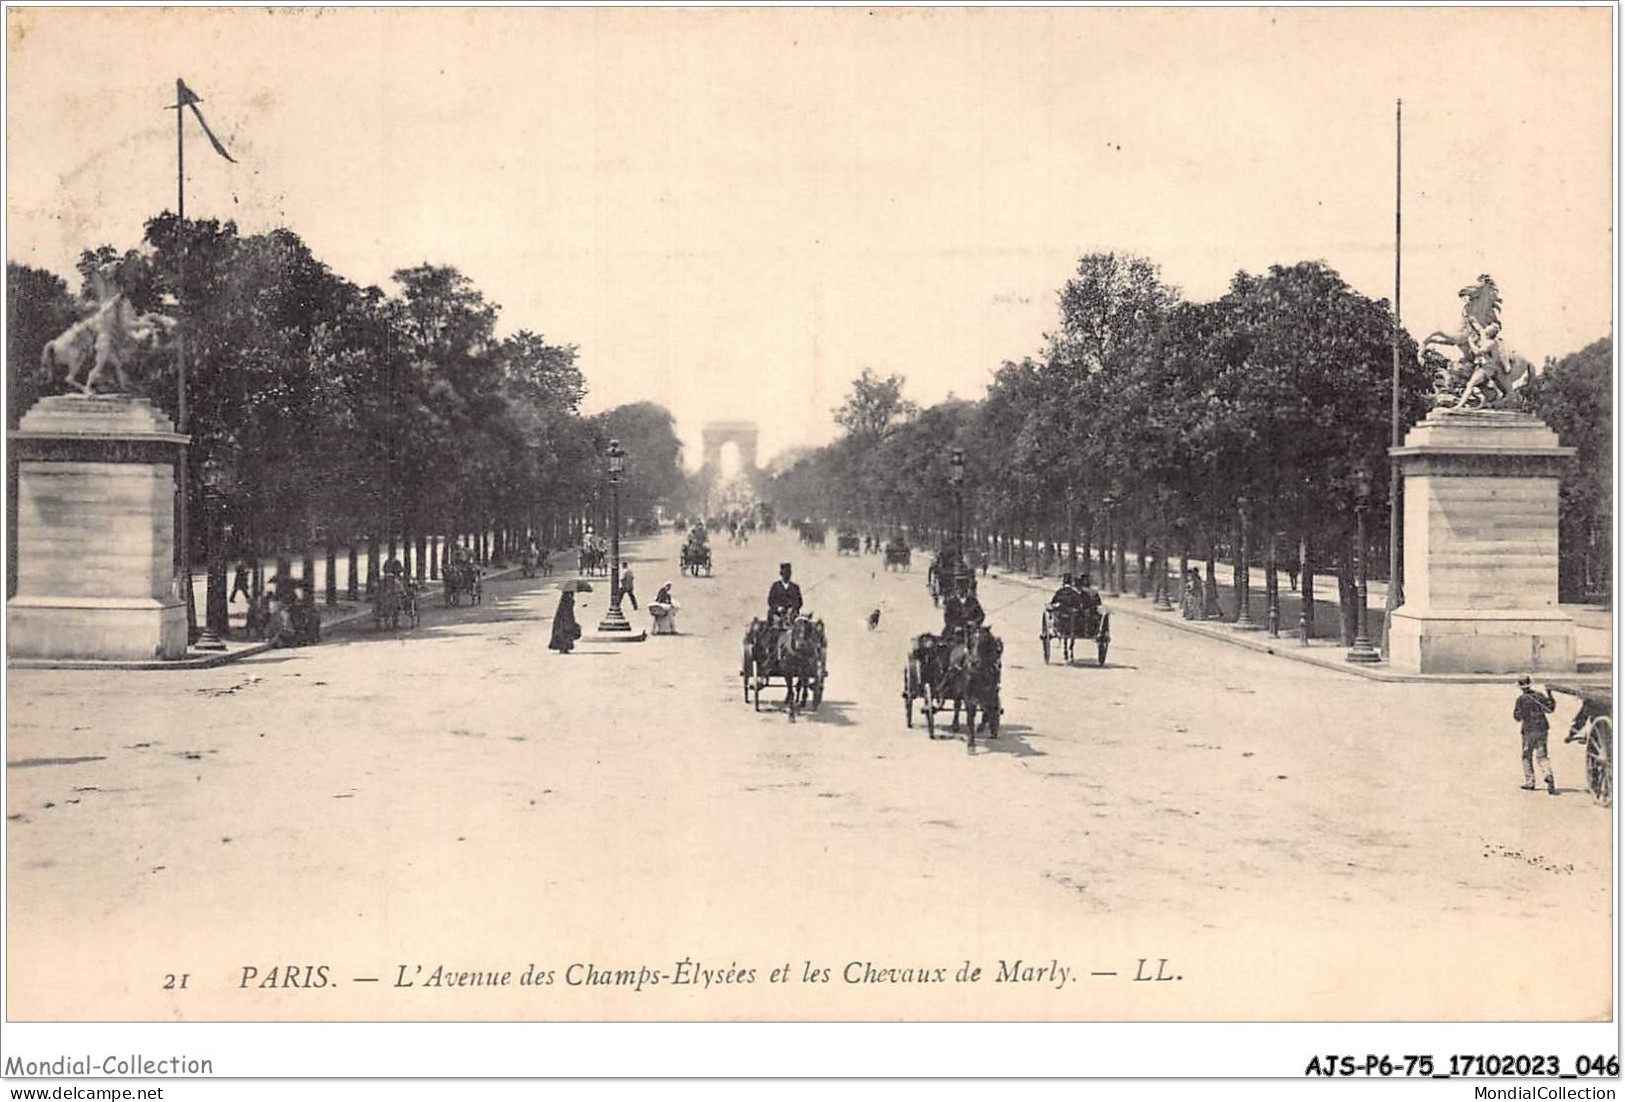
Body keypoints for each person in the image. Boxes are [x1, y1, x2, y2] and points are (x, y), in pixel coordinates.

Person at [1513, 675, 1559, 795]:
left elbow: (1517, 717)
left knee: (1526, 755)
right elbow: (1550, 709)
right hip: (1543, 728)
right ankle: (1548, 774)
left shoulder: (1521, 699)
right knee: (1542, 755)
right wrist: (1550, 695)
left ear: (1520, 687)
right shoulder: (1540, 696)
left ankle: (1530, 782)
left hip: (1528, 730)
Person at [550, 589, 582, 654]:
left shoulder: (566, 598)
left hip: (563, 619)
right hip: (565, 619)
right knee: (565, 633)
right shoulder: (568, 599)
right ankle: (564, 648)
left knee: (564, 634)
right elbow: (567, 610)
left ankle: (563, 647)